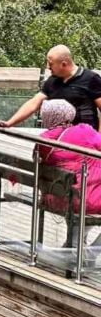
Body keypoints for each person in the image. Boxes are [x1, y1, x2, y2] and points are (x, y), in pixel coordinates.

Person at [0, 45, 101, 131]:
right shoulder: (52, 81)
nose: (48, 67)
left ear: (64, 64)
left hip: (85, 139)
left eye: (50, 64)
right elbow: (34, 103)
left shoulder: (91, 79)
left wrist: (98, 140)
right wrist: (9, 123)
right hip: (58, 138)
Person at [33, 100, 101, 236]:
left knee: (76, 186)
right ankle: (89, 252)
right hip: (84, 199)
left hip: (54, 197)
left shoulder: (43, 140)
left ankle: (75, 246)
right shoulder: (83, 131)